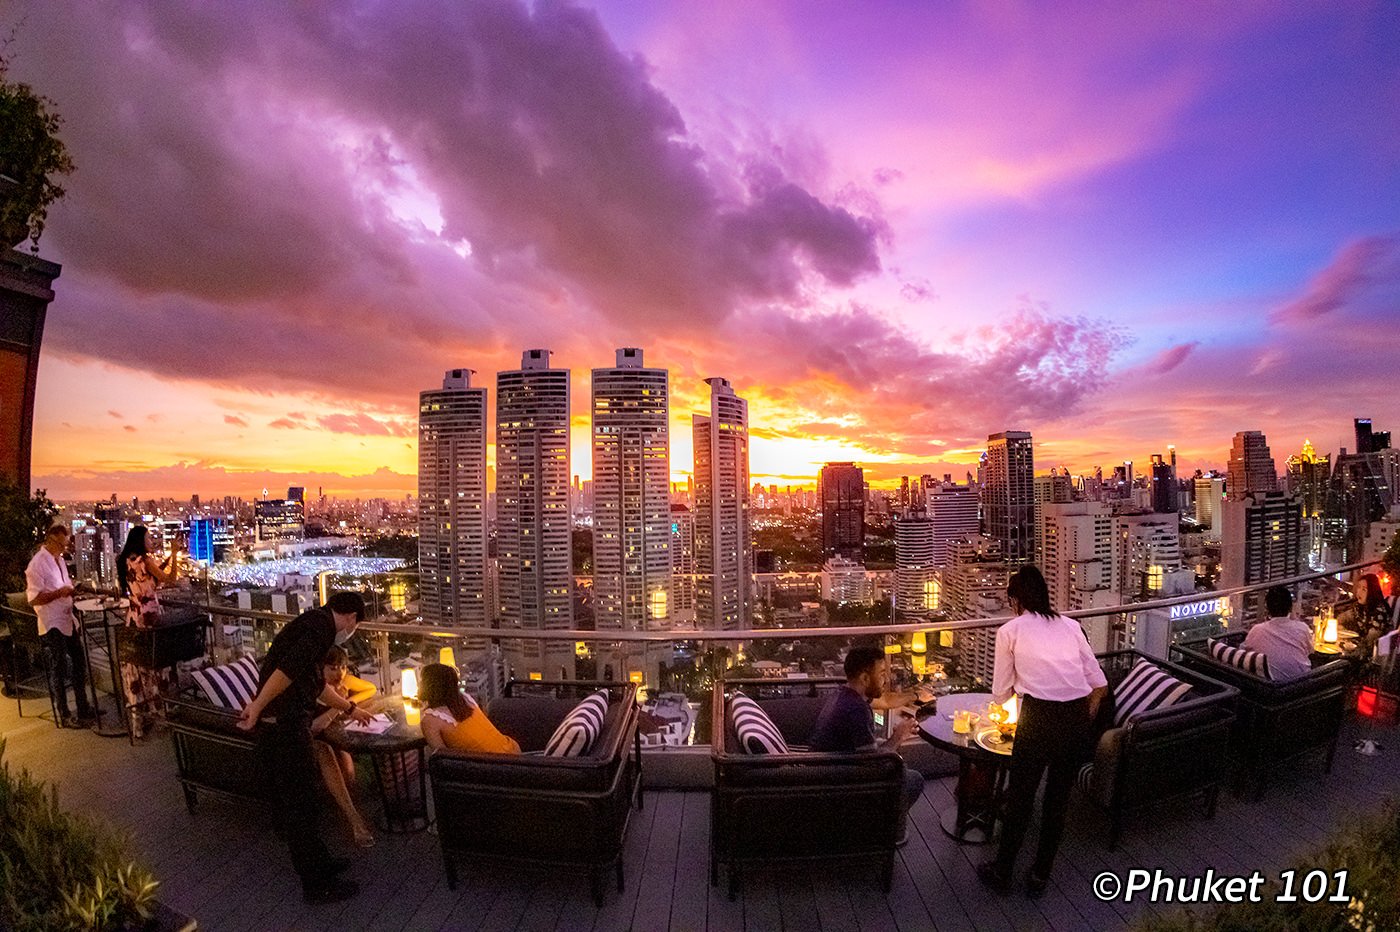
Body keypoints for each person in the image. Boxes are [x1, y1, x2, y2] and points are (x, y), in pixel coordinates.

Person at [237, 592, 374, 904]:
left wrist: (351, 709)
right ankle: (316, 885)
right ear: (352, 617)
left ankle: (322, 864)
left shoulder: (315, 624)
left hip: (285, 721)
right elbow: (284, 673)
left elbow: (316, 684)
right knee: (301, 807)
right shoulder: (319, 630)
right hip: (284, 725)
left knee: (306, 801)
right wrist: (257, 707)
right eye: (355, 626)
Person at [979, 566, 1108, 898]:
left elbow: (1001, 692)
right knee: (1057, 800)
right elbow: (1099, 684)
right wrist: (1084, 718)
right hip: (1074, 717)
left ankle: (1003, 870)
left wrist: (1013, 711)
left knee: (1020, 798)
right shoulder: (1070, 626)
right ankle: (1039, 875)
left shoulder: (1011, 630)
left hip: (1038, 717)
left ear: (1015, 599)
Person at [807, 644, 925, 834]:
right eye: (882, 673)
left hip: (828, 771)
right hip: (841, 786)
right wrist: (899, 735)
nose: (886, 679)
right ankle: (882, 831)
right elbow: (873, 765)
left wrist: (917, 695)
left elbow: (886, 701)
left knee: (899, 766)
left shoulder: (845, 694)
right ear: (864, 677)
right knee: (914, 779)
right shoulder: (857, 710)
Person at [116, 525, 183, 738]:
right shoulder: (145, 561)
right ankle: (160, 713)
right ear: (140, 540)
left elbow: (146, 579)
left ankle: (139, 721)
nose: (150, 540)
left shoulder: (127, 560)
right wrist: (174, 553)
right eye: (148, 537)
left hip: (134, 616)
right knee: (156, 667)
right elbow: (169, 579)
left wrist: (162, 563)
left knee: (137, 667)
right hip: (150, 617)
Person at [24, 525, 94, 728]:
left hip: (66, 617)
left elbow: (64, 587)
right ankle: (63, 713)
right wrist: (58, 593)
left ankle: (83, 707)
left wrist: (72, 591)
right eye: (61, 544)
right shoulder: (36, 565)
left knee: (79, 661)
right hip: (51, 621)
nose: (64, 548)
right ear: (50, 539)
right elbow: (33, 599)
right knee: (59, 665)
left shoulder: (60, 560)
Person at [310, 646, 378, 848]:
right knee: (326, 751)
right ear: (320, 668)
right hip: (310, 735)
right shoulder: (314, 687)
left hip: (333, 733)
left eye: (343, 667)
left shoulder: (343, 681)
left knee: (347, 768)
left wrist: (348, 701)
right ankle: (355, 820)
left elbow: (370, 689)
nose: (339, 673)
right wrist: (338, 706)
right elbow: (314, 727)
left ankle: (343, 806)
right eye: (332, 668)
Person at [418, 663, 520, 754]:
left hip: (494, 767)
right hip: (512, 750)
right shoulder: (466, 699)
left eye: (422, 681)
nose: (419, 684)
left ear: (430, 687)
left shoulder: (430, 720)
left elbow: (441, 759)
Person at [1243, 586, 1314, 680]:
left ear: (1267, 608)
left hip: (1269, 686)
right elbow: (1310, 651)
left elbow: (1245, 652)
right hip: (1301, 685)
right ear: (1290, 607)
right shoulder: (1302, 628)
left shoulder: (1257, 630)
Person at [1342, 573, 1394, 657]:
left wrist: (1347, 653)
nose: (1359, 592)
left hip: (1376, 656)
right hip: (1363, 648)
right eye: (1358, 587)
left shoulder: (1379, 613)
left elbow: (1369, 643)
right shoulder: (1361, 606)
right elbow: (1345, 617)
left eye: (1364, 589)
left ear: (1372, 592)